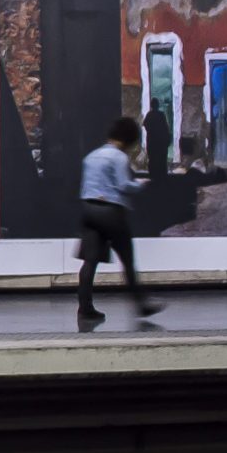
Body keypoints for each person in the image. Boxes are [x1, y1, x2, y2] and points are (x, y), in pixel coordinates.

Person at [78, 116, 162, 324]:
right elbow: (124, 186)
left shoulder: (91, 156)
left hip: (88, 210)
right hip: (110, 212)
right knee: (127, 260)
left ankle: (85, 308)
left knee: (90, 262)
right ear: (128, 139)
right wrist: (141, 184)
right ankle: (141, 305)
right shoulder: (118, 158)